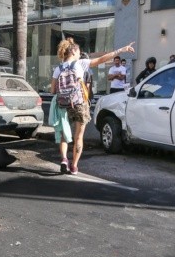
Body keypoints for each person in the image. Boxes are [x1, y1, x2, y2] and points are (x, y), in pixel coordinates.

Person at [51, 38, 135, 175]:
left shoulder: (58, 68)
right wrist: (122, 50)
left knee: (64, 135)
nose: (80, 53)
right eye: (78, 51)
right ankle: (74, 166)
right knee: (79, 137)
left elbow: (52, 90)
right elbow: (102, 59)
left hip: (62, 104)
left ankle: (64, 159)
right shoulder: (80, 63)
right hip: (79, 103)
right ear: (73, 51)